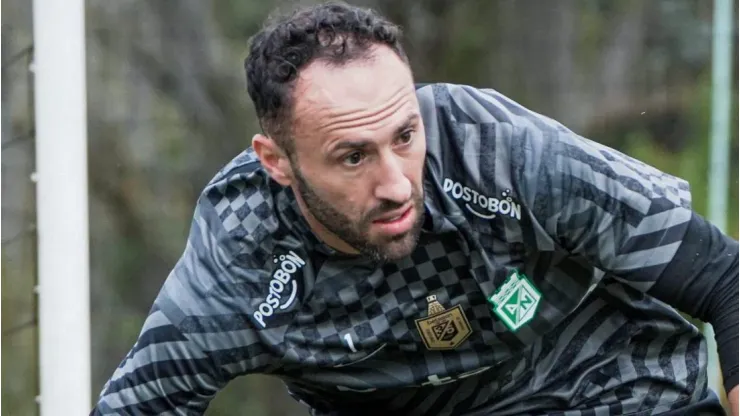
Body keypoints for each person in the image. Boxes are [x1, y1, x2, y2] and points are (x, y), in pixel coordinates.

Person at [91, 2, 738, 415]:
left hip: (619, 394)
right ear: (276, 160)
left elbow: (724, 282)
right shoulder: (242, 259)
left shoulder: (500, 151)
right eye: (353, 157)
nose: (398, 183)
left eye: (405, 136)